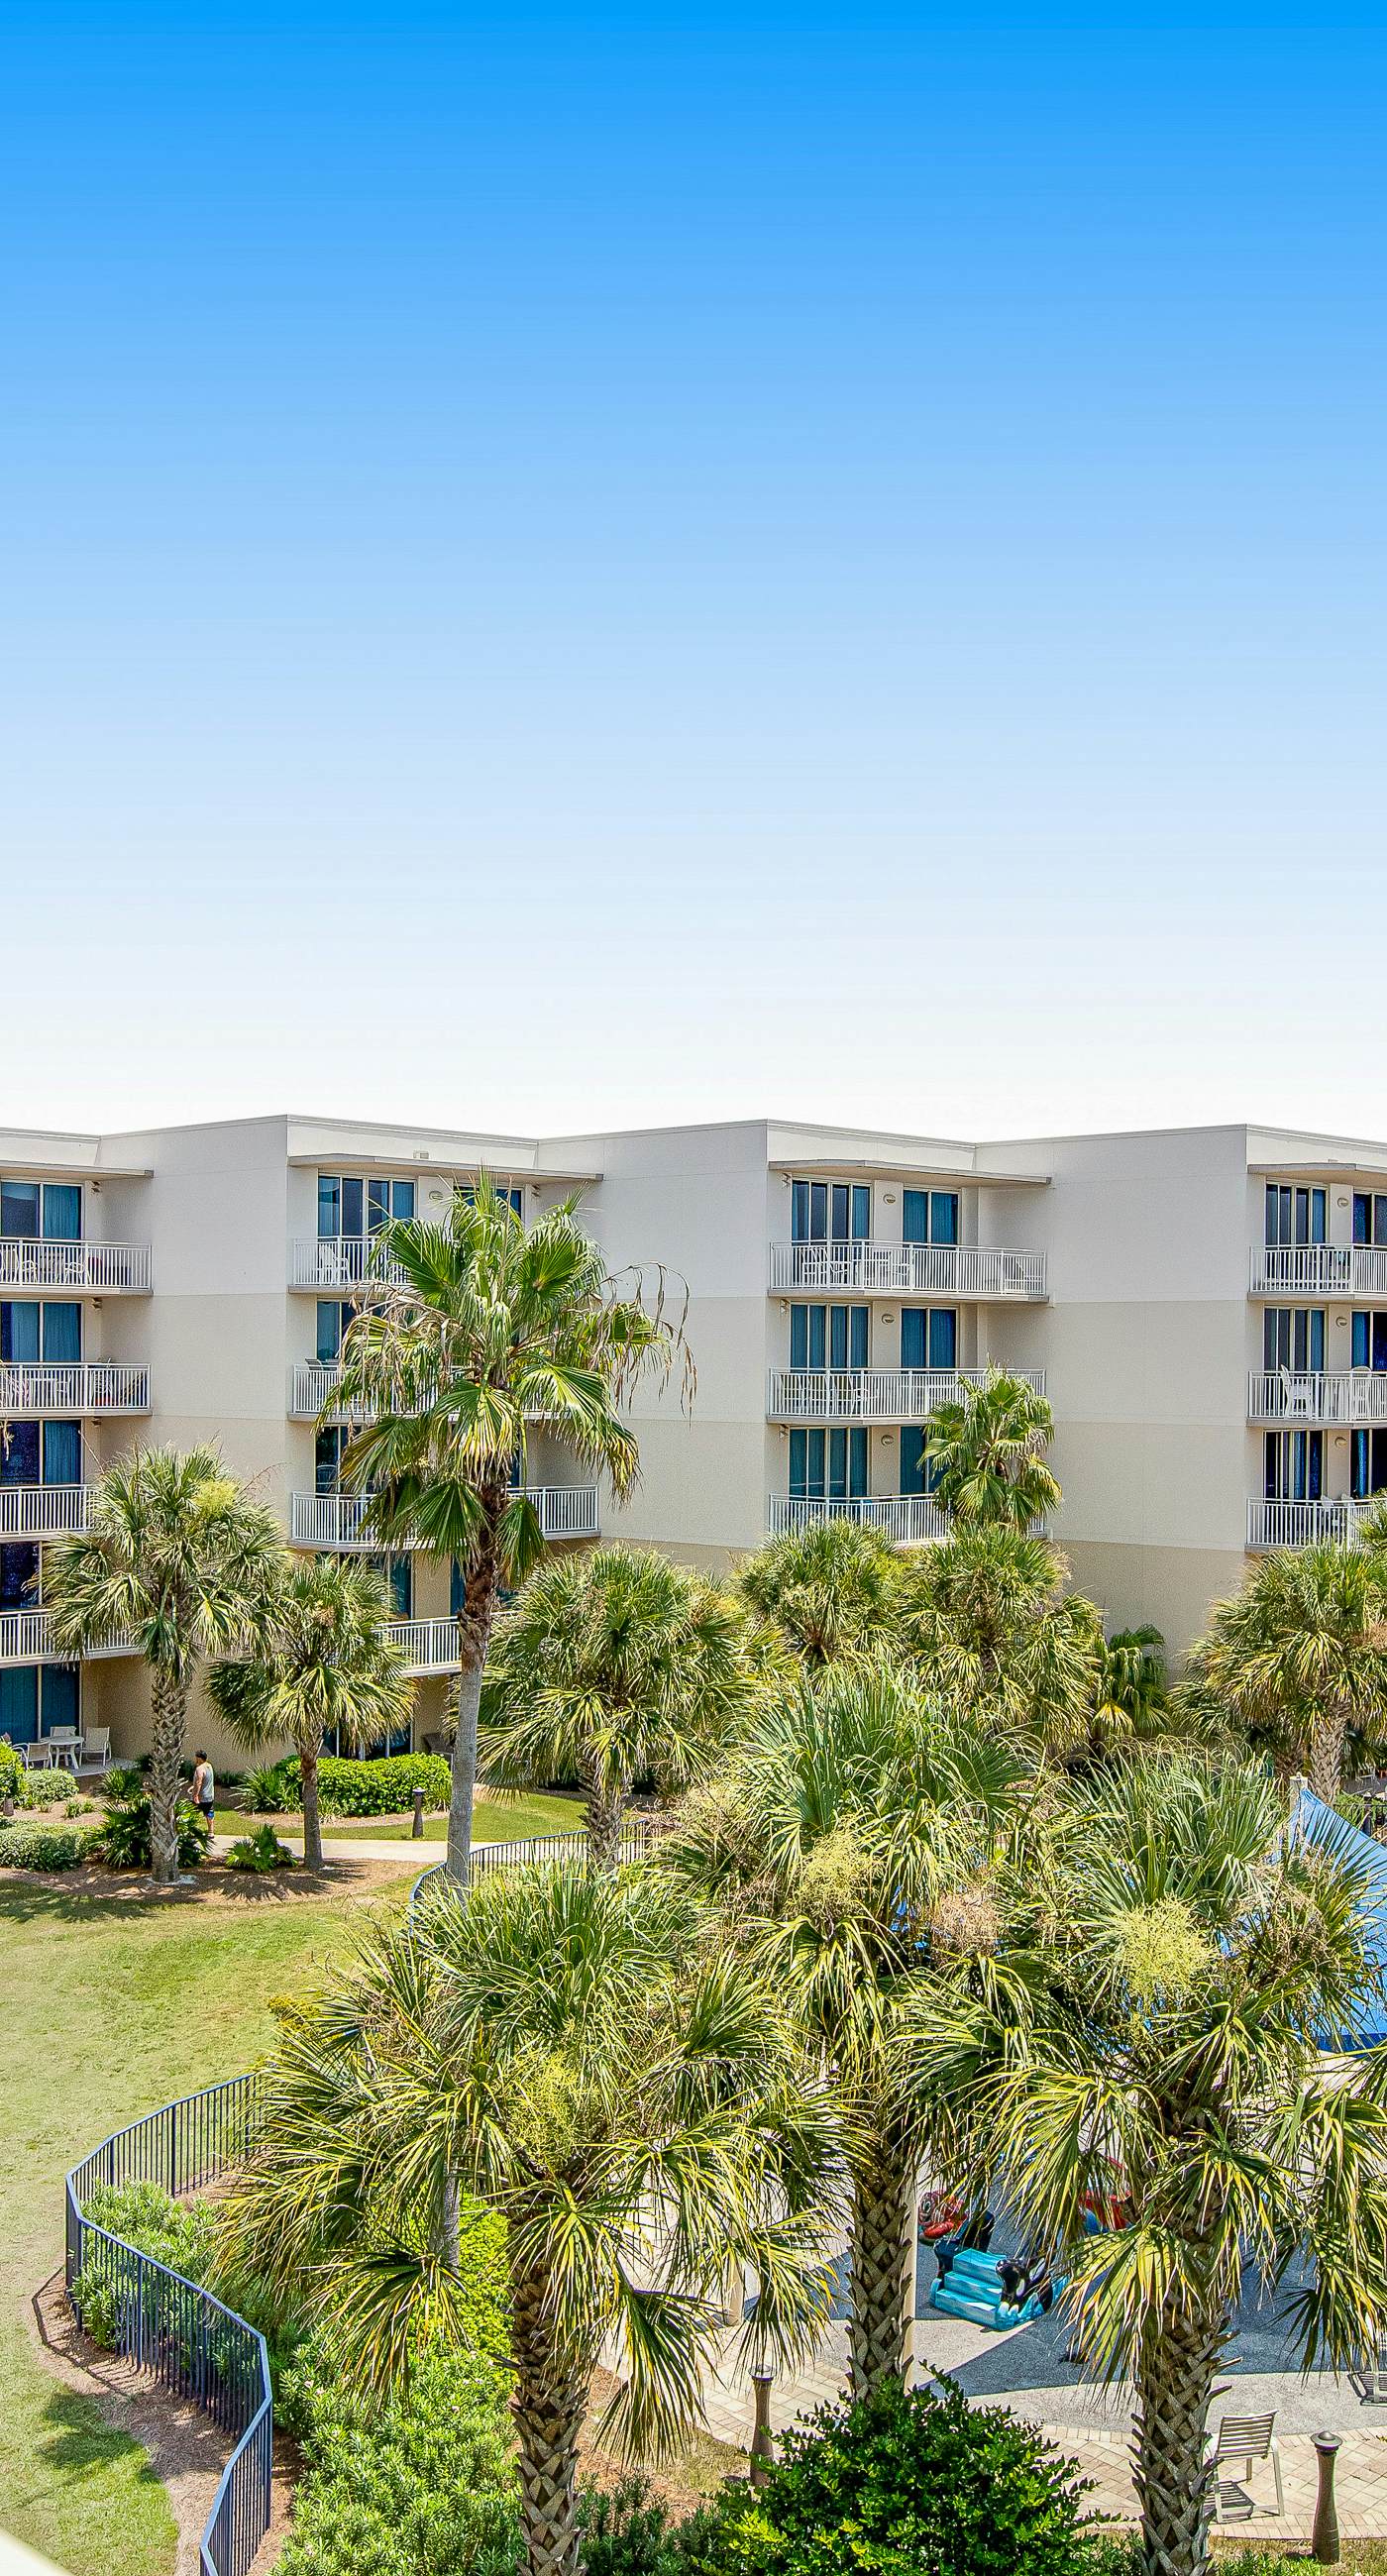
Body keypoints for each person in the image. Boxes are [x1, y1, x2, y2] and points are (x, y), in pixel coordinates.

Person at [191, 1749, 215, 1836]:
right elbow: (207, 1780)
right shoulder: (209, 1766)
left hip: (201, 1797)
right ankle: (211, 1832)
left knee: (192, 1813)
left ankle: (190, 1830)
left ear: (199, 1758)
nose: (195, 1760)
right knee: (209, 1813)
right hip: (210, 1796)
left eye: (196, 1758)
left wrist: (195, 1796)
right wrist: (193, 1786)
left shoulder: (199, 1769)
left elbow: (199, 1782)